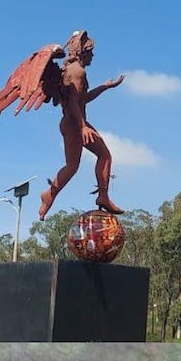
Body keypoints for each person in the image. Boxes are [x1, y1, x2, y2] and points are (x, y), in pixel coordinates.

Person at [40, 31, 124, 220]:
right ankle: (51, 194)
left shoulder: (73, 71)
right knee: (89, 160)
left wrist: (105, 86)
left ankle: (99, 196)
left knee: (80, 163)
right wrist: (83, 126)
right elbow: (72, 103)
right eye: (90, 52)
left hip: (73, 122)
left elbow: (82, 99)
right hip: (74, 124)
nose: (93, 56)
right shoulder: (77, 72)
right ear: (82, 52)